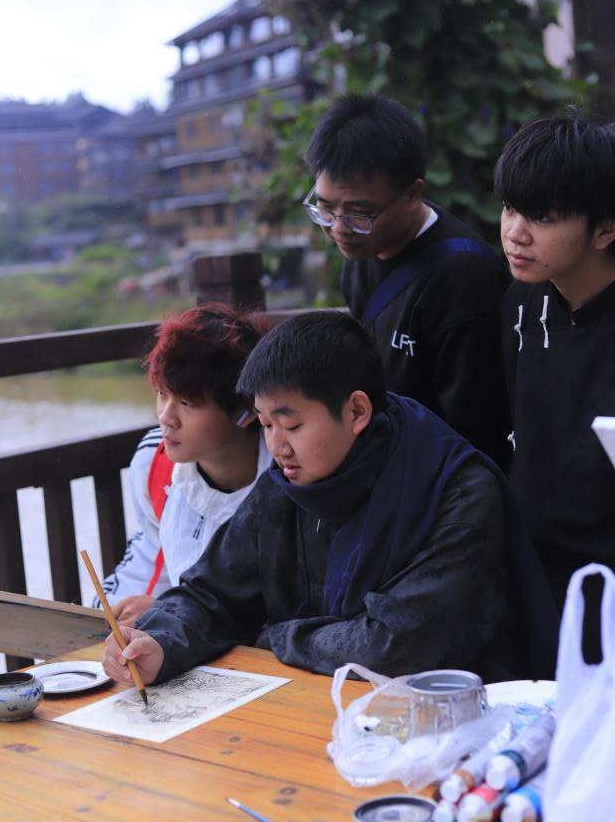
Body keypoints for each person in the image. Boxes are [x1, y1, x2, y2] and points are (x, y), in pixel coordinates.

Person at [102, 311, 558, 688]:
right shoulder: (284, 485)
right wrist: (159, 643)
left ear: (357, 411)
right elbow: (211, 593)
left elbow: (395, 646)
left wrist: (276, 636)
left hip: (454, 718)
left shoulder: (456, 493)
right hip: (317, 705)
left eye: (292, 425)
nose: (278, 446)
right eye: (265, 424)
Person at [303, 94, 511, 467]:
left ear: (412, 194)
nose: (338, 229)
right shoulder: (362, 249)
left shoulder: (464, 279)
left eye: (359, 213)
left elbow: (477, 432)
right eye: (325, 208)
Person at [496, 111, 615, 644]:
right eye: (510, 208)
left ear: (605, 228)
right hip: (530, 573)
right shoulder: (519, 302)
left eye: (542, 217)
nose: (515, 233)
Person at [95, 304, 271, 626]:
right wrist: (104, 615)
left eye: (187, 402)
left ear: (246, 409)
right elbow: (152, 557)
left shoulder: (290, 474)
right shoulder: (154, 462)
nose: (166, 418)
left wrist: (171, 613)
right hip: (190, 641)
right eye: (162, 394)